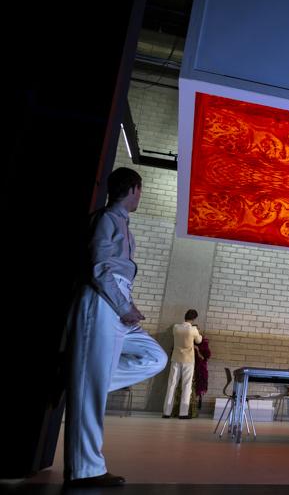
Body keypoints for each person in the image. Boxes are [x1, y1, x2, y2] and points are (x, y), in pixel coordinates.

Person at [64, 167, 168, 487]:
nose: (140, 196)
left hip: (116, 299)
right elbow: (99, 267)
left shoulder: (122, 223)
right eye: (140, 191)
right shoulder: (107, 219)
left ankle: (81, 380)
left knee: (155, 357)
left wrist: (126, 303)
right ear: (133, 189)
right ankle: (86, 470)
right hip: (101, 301)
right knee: (91, 389)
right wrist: (124, 306)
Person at [163, 309, 203, 419]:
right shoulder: (193, 329)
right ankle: (183, 413)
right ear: (194, 318)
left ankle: (166, 412)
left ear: (185, 316)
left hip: (176, 358)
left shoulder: (176, 327)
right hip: (188, 360)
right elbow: (199, 341)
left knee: (172, 385)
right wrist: (198, 332)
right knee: (186, 386)